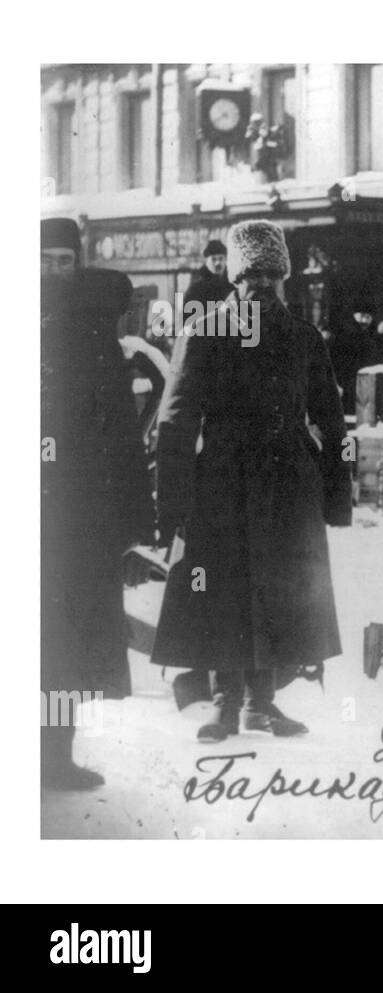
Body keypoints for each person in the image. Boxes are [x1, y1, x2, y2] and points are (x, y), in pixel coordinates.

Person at [151, 220, 352, 742]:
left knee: (280, 591)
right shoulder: (203, 330)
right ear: (235, 277)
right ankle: (224, 702)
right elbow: (175, 421)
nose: (261, 284)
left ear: (282, 277)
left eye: (271, 273)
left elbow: (331, 418)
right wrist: (170, 504)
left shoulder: (303, 337)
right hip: (222, 479)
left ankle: (263, 705)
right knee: (224, 589)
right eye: (251, 274)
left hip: (289, 481)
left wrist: (335, 495)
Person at [41, 219, 155, 789]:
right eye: (44, 260)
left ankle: (52, 756)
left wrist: (133, 514)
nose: (54, 271)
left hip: (75, 515)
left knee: (66, 641)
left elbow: (120, 431)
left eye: (64, 260)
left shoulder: (93, 334)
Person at [183, 239, 236, 308]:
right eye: (213, 259)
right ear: (206, 261)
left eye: (221, 258)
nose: (217, 263)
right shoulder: (197, 289)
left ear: (226, 260)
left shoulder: (232, 284)